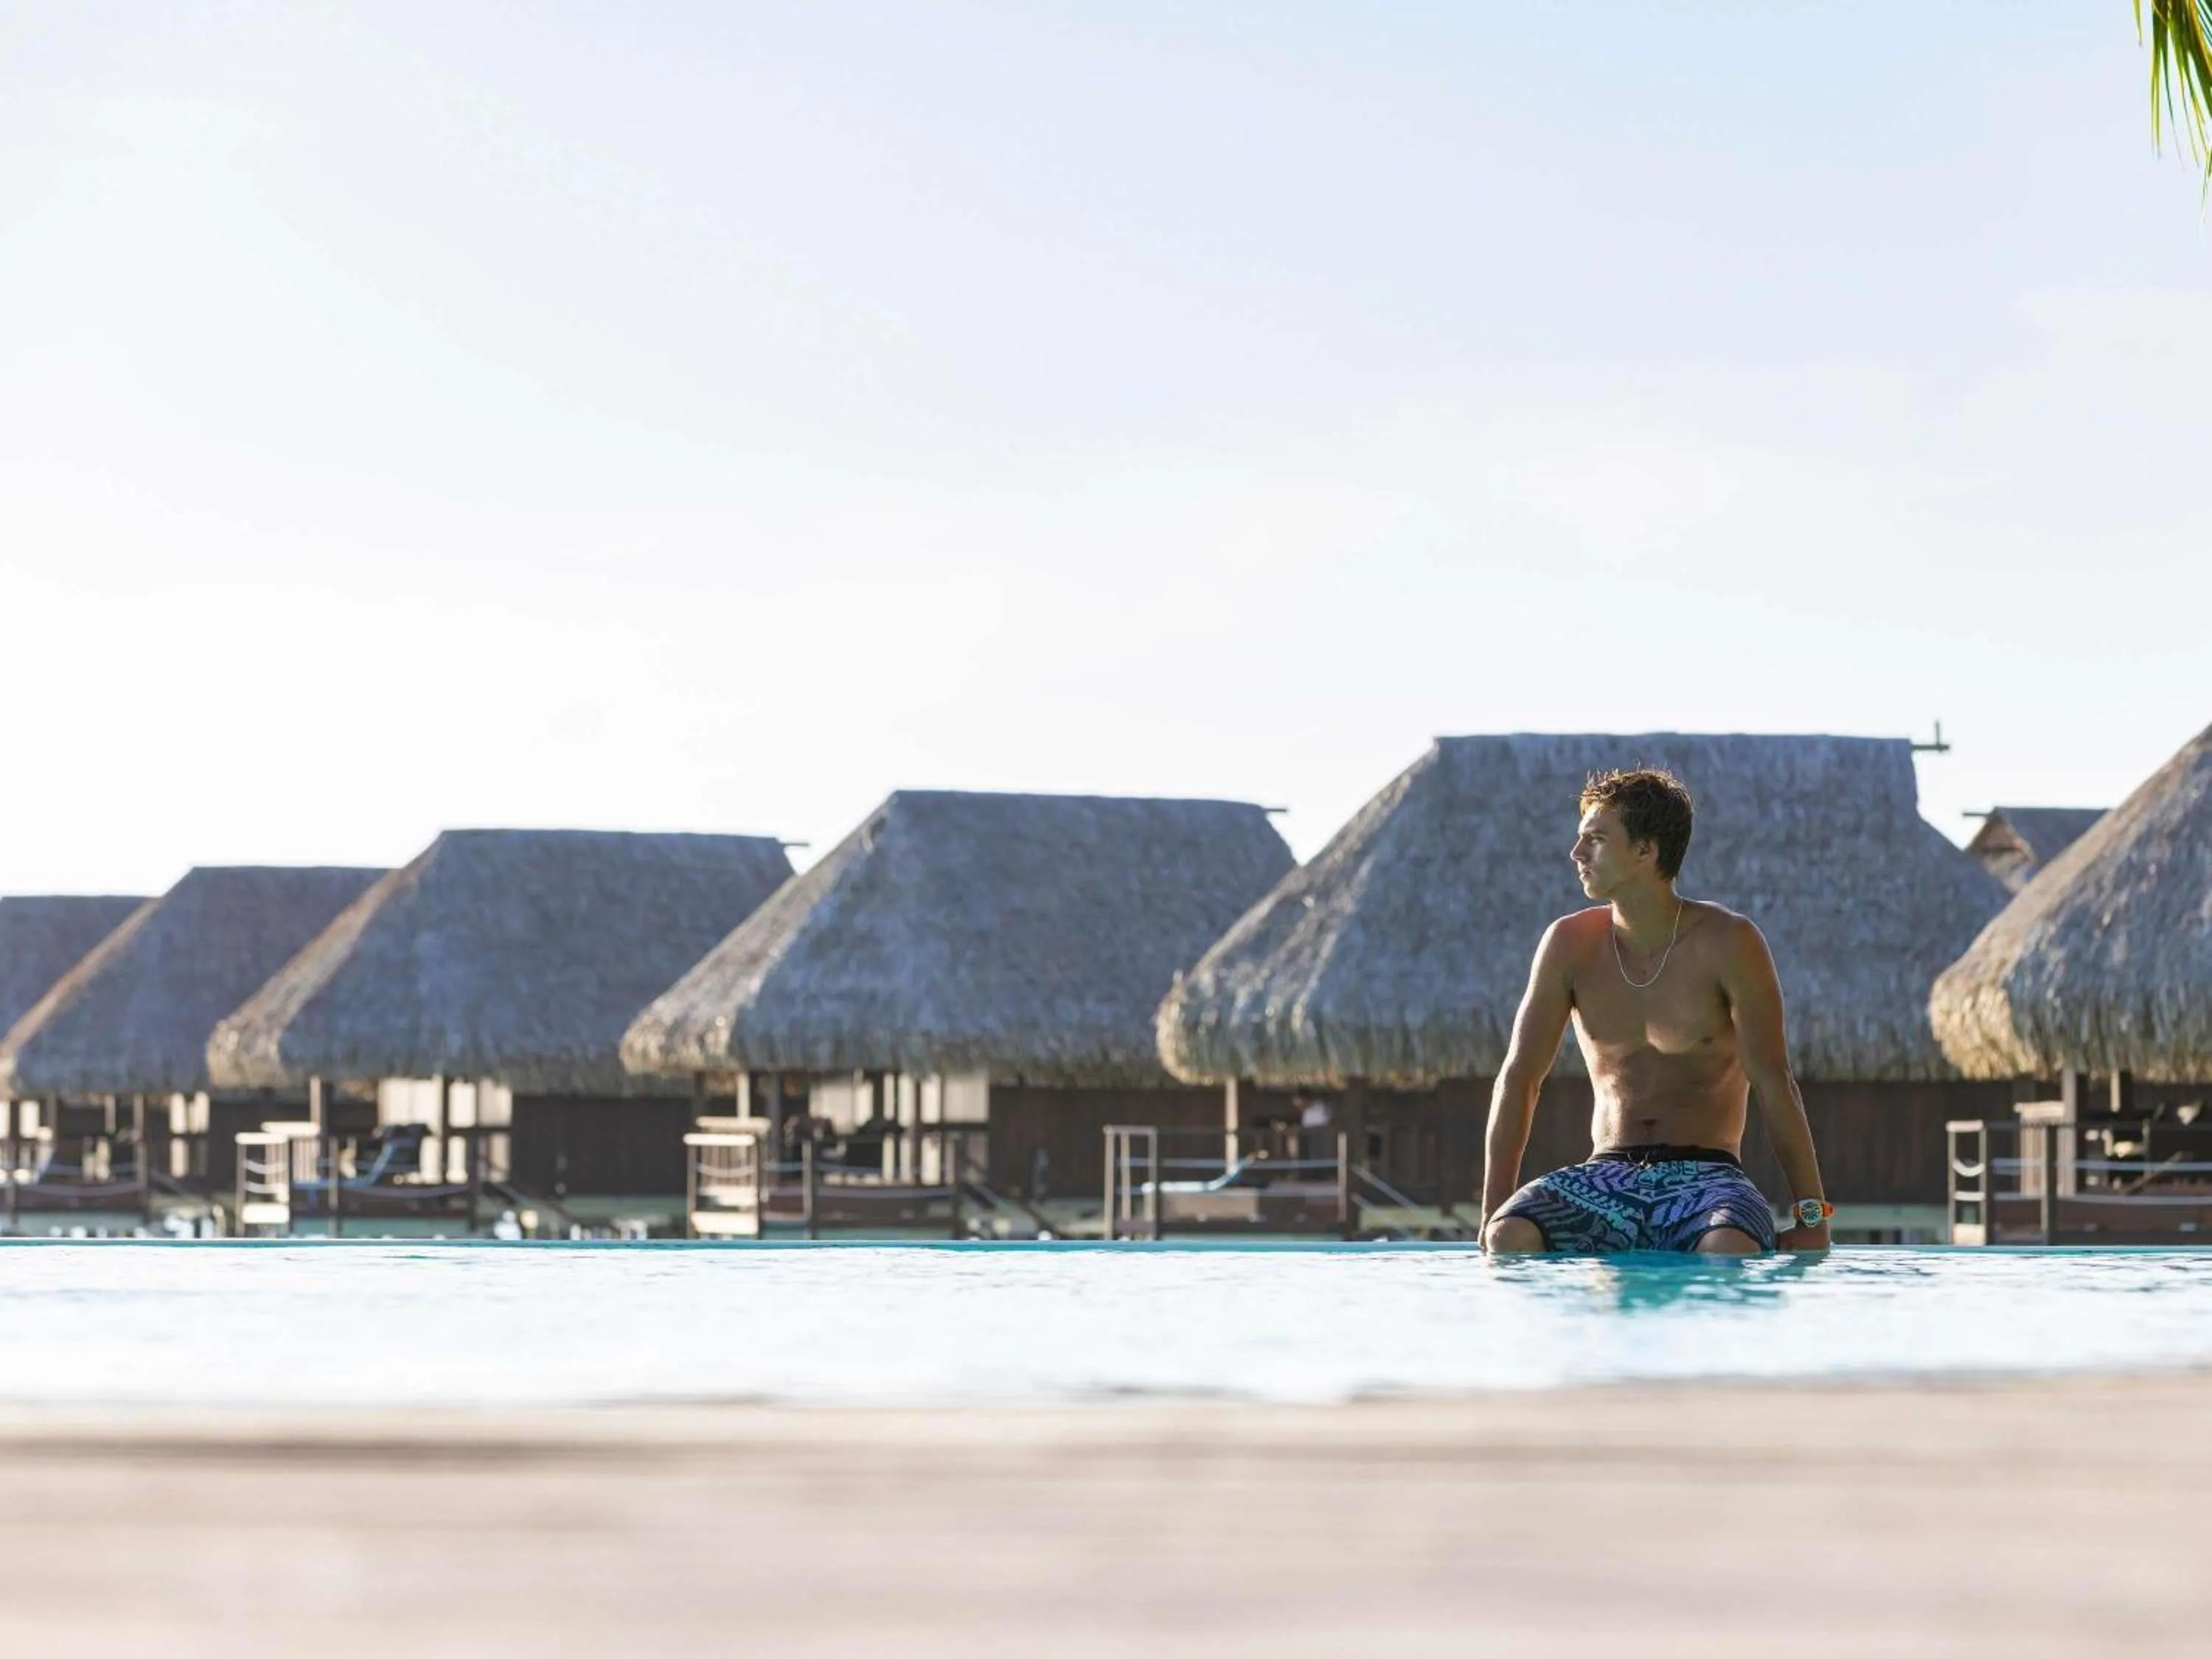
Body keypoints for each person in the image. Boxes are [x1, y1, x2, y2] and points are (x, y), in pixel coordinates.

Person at [1481, 768, 1832, 1255]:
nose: (1576, 854)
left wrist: (1813, 1218)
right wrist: (1492, 1212)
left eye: (1596, 840)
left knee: (1728, 1246)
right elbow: (1519, 1078)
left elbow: (1777, 1083)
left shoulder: (1730, 942)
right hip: (1604, 1176)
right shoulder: (1569, 945)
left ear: (1646, 851)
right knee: (1508, 1237)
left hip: (1709, 1180)